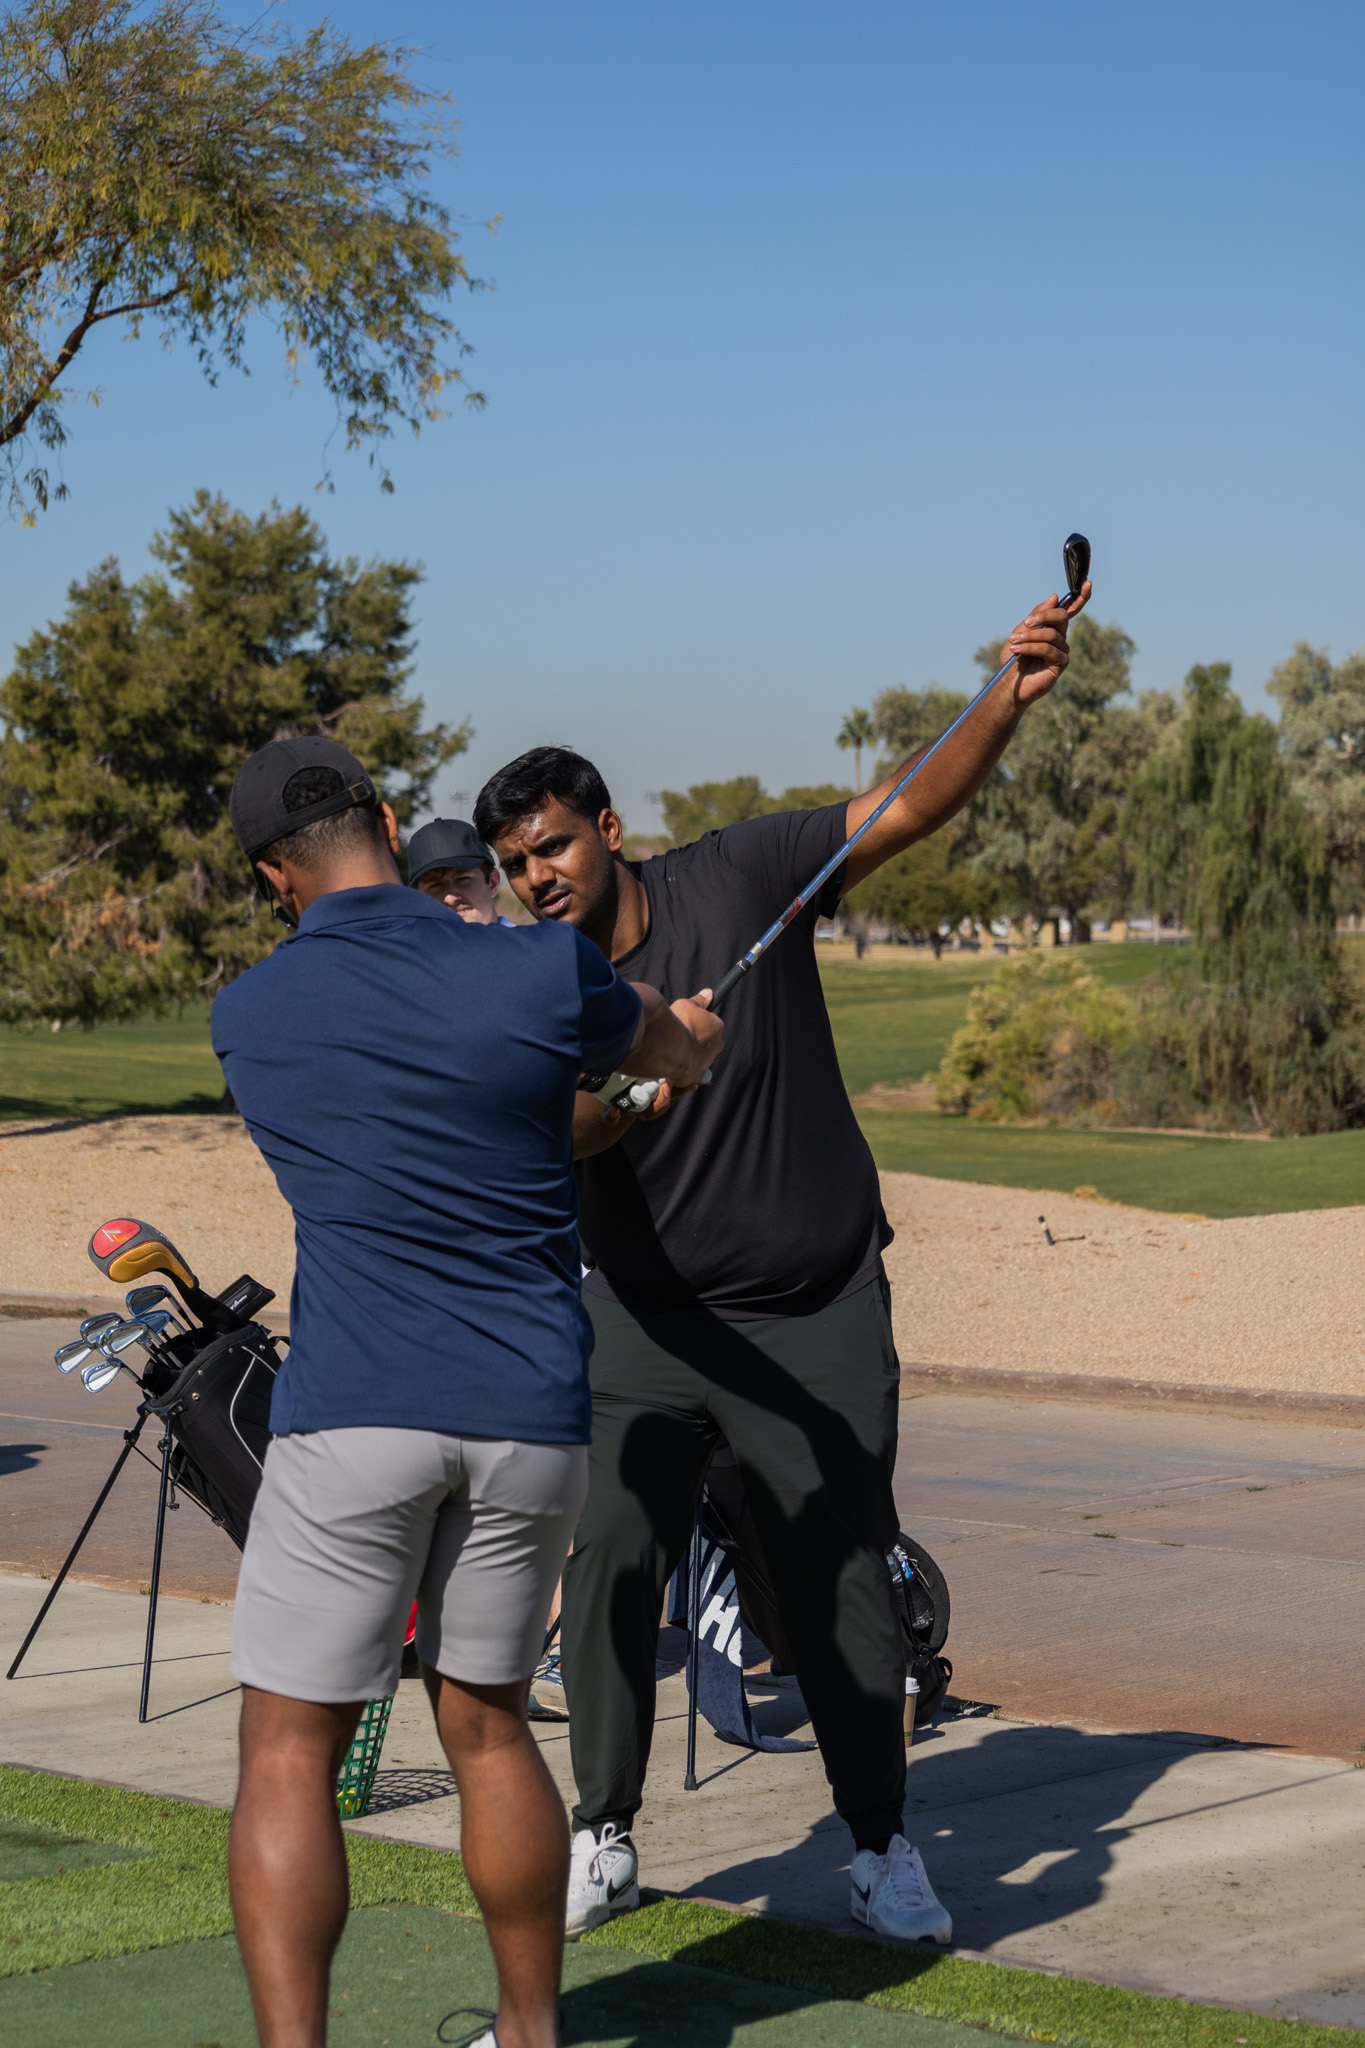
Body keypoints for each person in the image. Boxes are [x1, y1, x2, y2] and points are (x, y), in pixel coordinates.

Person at [473, 579, 1087, 1948]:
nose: (539, 877)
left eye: (556, 847)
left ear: (609, 829)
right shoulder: (534, 986)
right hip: (644, 1323)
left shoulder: (742, 876)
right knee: (614, 1550)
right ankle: (604, 1832)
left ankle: (878, 1849)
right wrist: (652, 1077)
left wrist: (1003, 695)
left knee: (841, 1574)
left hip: (812, 1306)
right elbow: (553, 1132)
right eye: (517, 863)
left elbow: (907, 808)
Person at [213, 733, 721, 2048]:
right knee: (488, 1729)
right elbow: (657, 1054)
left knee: (288, 1752)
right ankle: (533, 2035)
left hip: (354, 1412)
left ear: (275, 878)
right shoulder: (540, 964)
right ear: (390, 819)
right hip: (529, 1418)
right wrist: (681, 1050)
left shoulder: (249, 1014)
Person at [407, 816, 515, 926]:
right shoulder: (403, 942)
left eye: (462, 879)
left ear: (492, 883)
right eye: (435, 885)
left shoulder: (527, 943)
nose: (450, 898)